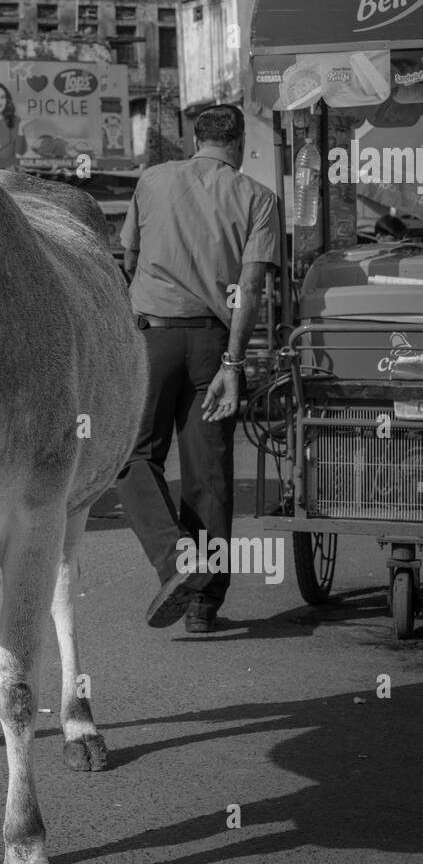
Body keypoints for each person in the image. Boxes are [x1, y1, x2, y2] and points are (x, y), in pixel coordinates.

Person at [117, 105, 280, 633]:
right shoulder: (259, 199)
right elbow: (250, 290)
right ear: (240, 144)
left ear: (194, 139)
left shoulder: (152, 180)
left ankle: (174, 561)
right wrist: (234, 363)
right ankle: (204, 604)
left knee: (132, 456)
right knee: (208, 473)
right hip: (214, 345)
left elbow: (129, 259)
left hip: (153, 340)